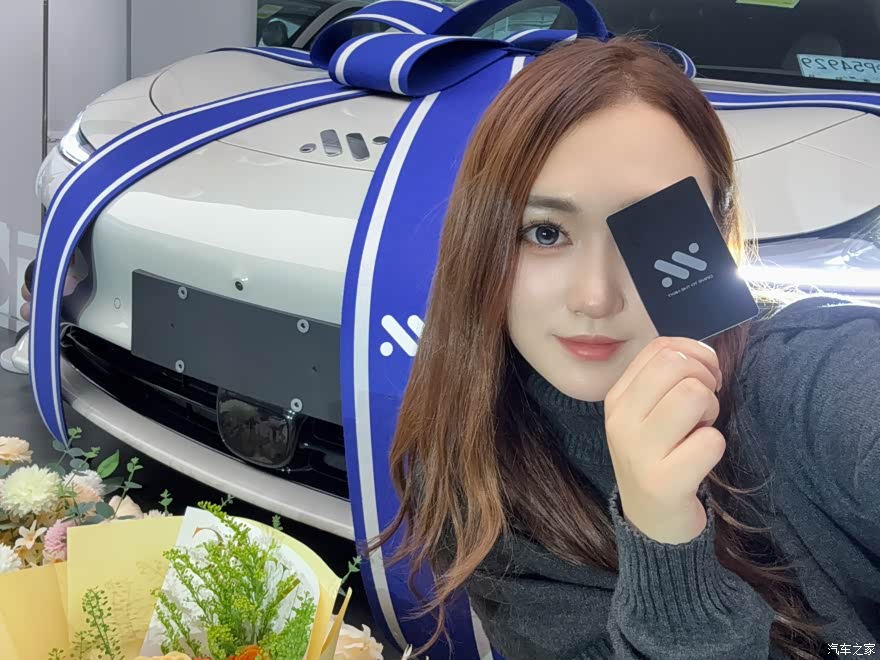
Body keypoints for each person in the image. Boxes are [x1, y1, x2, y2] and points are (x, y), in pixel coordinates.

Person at [367, 37, 880, 659]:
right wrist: (664, 541)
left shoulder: (809, 376)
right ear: (482, 240)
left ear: (714, 233)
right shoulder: (479, 469)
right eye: (545, 233)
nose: (595, 297)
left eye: (649, 231)